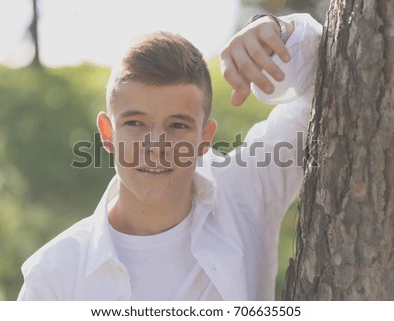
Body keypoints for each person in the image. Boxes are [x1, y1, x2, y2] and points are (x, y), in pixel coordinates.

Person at [17, 12, 322, 300]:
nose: (156, 145)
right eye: (135, 123)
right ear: (108, 134)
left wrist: (277, 29)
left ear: (204, 138)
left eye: (178, 125)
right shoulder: (52, 278)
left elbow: (319, 92)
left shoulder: (245, 193)